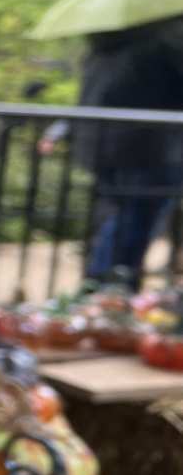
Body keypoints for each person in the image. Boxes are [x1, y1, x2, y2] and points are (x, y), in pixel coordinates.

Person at [40, 16, 183, 287]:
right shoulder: (162, 47)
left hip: (104, 148)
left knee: (123, 217)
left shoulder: (102, 50)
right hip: (153, 150)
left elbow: (86, 101)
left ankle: (104, 282)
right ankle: (111, 285)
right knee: (135, 221)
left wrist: (61, 131)